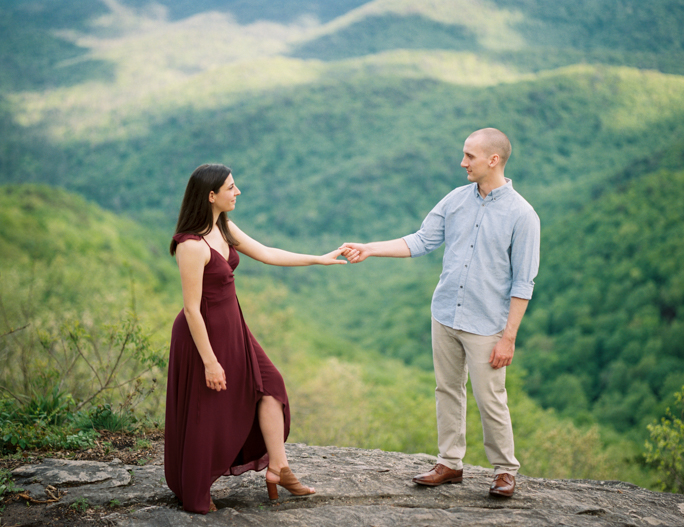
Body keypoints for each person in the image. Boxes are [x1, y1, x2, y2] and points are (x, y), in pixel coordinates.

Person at [341, 128, 539, 497]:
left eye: (470, 156)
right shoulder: (455, 200)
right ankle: (450, 463)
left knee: (489, 398)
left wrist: (508, 337)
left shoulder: (523, 215)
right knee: (447, 389)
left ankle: (505, 470)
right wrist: (370, 248)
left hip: (487, 326)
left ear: (493, 160)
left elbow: (523, 282)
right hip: (445, 313)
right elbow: (421, 240)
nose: (462, 162)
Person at [165, 163, 346, 514]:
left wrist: (318, 260)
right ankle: (196, 491)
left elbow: (267, 253)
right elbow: (191, 310)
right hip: (203, 338)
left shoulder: (224, 227)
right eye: (231, 187)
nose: (238, 192)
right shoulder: (191, 245)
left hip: (234, 330)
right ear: (211, 195)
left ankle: (278, 468)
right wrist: (210, 361)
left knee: (270, 386)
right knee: (206, 411)